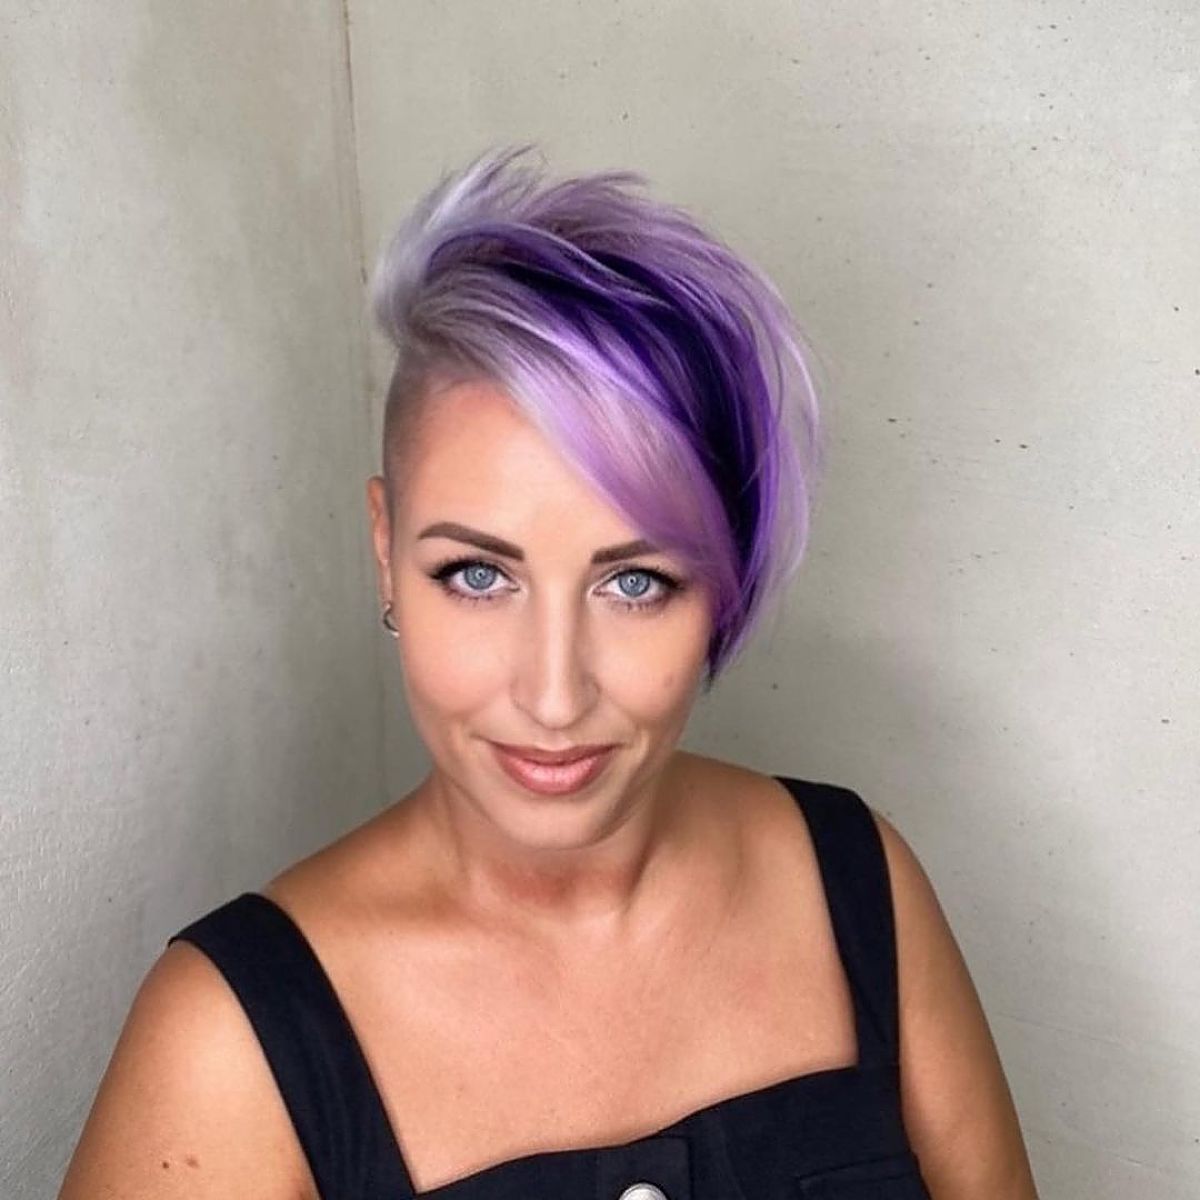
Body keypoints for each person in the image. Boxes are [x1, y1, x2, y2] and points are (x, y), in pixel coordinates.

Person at [58, 145, 1038, 1199]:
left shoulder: (861, 885)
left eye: (635, 583)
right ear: (386, 553)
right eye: (478, 575)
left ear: (724, 581)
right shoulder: (227, 1044)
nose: (555, 697)